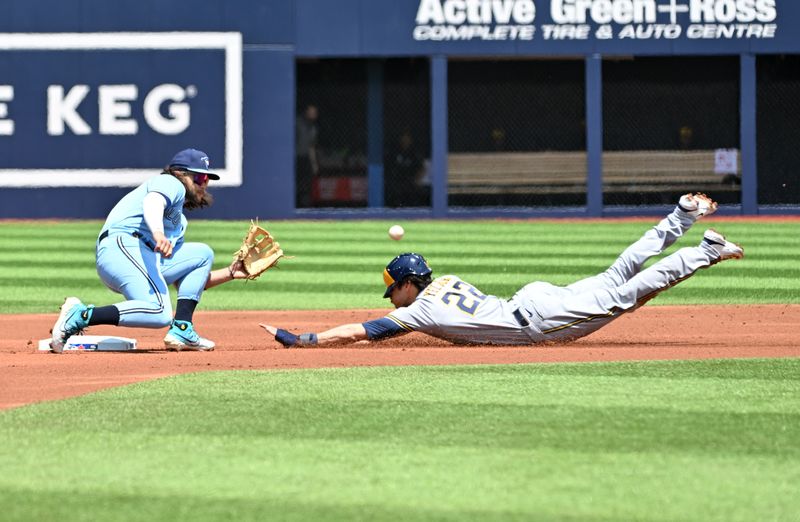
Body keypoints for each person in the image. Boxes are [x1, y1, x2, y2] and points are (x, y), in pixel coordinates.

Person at [260, 193, 743, 347]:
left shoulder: (416, 314)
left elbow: (362, 331)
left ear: (408, 285)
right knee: (619, 273)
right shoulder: (445, 279)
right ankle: (679, 217)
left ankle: (704, 250)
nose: (392, 299)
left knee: (628, 292)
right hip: (532, 299)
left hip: (538, 318)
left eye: (394, 291)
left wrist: (305, 339)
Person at [50, 148, 252, 353]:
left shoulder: (179, 222)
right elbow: (153, 201)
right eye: (199, 177)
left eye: (207, 179)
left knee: (202, 255)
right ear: (181, 173)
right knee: (160, 313)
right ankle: (81, 315)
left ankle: (182, 328)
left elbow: (188, 280)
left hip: (141, 257)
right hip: (123, 246)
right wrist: (157, 233)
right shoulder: (170, 182)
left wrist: (231, 273)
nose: (204, 184)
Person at [385, 131, 429, 207]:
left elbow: (422, 167)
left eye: (407, 139)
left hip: (411, 180)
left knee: (415, 194)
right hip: (397, 181)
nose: (405, 140)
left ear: (410, 140)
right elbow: (389, 166)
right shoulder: (395, 151)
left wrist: (417, 179)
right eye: (403, 138)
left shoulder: (414, 152)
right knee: (394, 192)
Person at [296, 104, 320, 207]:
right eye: (311, 112)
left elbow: (311, 147)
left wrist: (314, 164)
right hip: (295, 158)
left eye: (314, 112)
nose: (313, 114)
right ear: (306, 112)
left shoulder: (313, 128)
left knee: (306, 185)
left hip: (306, 158)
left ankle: (304, 206)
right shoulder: (297, 123)